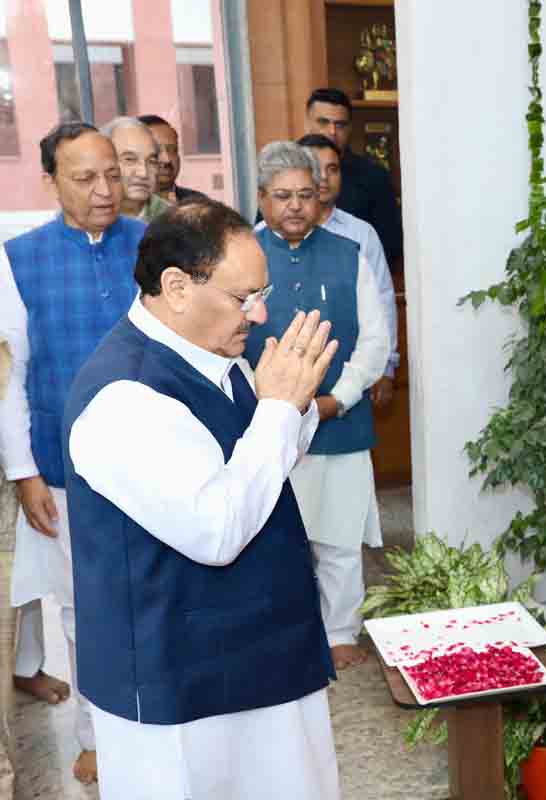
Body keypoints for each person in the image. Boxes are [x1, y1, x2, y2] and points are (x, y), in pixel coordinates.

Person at [64, 200, 340, 800]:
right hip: (180, 687)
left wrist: (288, 405)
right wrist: (275, 410)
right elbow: (216, 530)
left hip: (263, 653)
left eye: (261, 292)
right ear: (177, 287)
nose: (260, 313)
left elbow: (259, 469)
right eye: (244, 297)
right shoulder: (123, 397)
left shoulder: (218, 357)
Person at [0, 121, 145, 784]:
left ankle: (158, 718)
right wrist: (23, 471)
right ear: (51, 180)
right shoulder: (18, 259)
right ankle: (95, 732)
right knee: (84, 611)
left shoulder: (151, 246)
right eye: (85, 177)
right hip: (65, 474)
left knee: (154, 599)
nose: (105, 189)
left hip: (153, 462)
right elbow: (11, 378)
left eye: (113, 173)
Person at [246, 141, 390, 670]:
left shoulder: (347, 253)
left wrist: (337, 399)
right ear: (260, 197)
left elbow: (375, 341)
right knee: (273, 538)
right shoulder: (243, 258)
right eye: (282, 196)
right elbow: (229, 341)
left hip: (338, 421)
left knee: (339, 534)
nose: (295, 206)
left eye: (305, 194)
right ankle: (284, 629)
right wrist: (270, 406)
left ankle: (339, 631)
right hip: (262, 426)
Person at [287, 133, 399, 398]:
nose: (324, 177)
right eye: (315, 168)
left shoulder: (361, 234)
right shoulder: (266, 235)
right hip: (288, 377)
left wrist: (387, 366)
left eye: (333, 169)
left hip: (351, 372)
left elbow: (383, 299)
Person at [303, 88, 403, 269]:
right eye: (323, 122)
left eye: (340, 124)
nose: (332, 131)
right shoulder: (284, 173)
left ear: (350, 128)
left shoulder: (374, 177)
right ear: (307, 123)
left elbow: (389, 247)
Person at [101, 117, 172, 222]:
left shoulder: (173, 220)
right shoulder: (82, 219)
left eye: (151, 161)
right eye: (130, 159)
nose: (143, 173)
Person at [137, 114, 209, 204]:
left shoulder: (200, 204)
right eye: (157, 151)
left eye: (173, 150)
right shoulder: (119, 209)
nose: (167, 159)